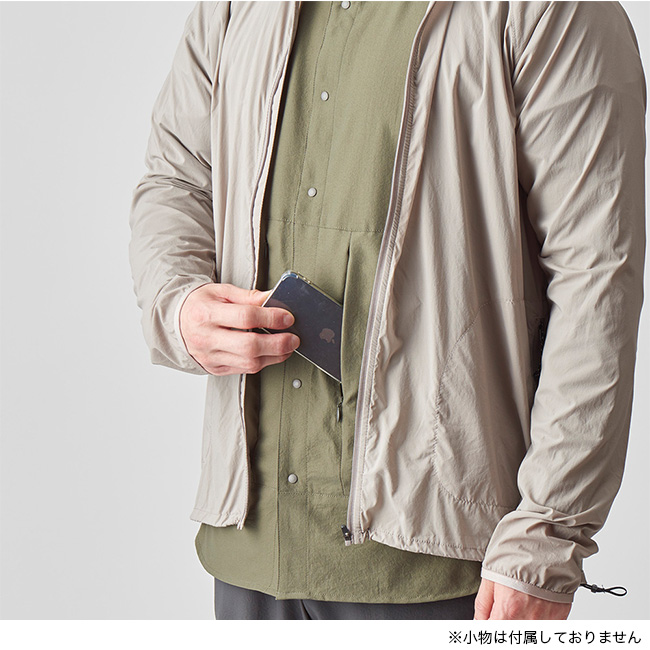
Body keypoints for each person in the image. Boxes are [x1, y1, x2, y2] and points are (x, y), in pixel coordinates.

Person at [128, 1, 646, 620]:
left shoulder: (553, 10)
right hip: (254, 547)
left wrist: (546, 539)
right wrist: (179, 301)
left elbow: (597, 281)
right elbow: (178, 178)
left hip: (448, 566)